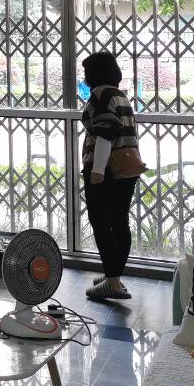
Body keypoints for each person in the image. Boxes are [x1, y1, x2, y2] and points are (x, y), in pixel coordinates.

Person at [80, 51, 140, 300]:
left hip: (106, 170)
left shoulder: (101, 95)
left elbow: (105, 133)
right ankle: (113, 275)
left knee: (101, 222)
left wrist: (97, 170)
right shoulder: (120, 95)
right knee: (119, 221)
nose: (84, 76)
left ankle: (112, 282)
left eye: (86, 71)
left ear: (94, 74)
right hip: (127, 167)